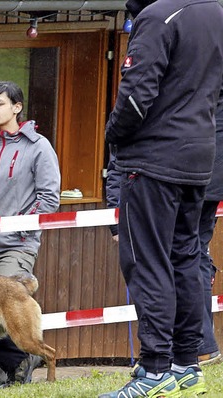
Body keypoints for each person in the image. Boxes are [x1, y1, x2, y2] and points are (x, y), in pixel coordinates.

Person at [100, 0, 223, 395]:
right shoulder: (215, 11)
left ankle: (154, 369)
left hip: (153, 159)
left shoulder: (158, 16)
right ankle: (186, 363)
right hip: (199, 157)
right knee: (186, 257)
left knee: (146, 259)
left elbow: (136, 95)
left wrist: (113, 134)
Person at [0, 81, 60, 388]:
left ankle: (21, 366)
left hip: (16, 246)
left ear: (17, 107)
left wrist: (21, 227)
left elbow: (49, 197)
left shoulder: (38, 146)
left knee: (10, 308)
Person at [195, 104, 223, 367]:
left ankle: (202, 345)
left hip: (200, 172)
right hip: (212, 176)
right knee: (197, 254)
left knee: (188, 254)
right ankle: (203, 345)